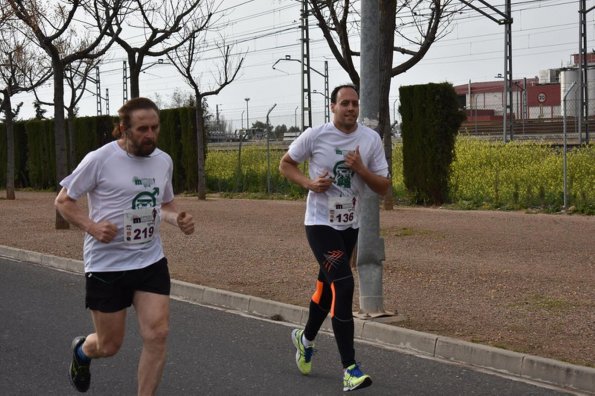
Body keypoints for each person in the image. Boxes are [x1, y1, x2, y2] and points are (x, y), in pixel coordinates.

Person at [55, 97, 195, 395]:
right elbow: (63, 201)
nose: (150, 135)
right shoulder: (100, 159)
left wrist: (177, 219)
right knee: (109, 345)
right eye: (142, 129)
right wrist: (92, 226)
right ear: (123, 129)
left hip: (149, 260)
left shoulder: (163, 160)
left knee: (158, 334)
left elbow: (165, 204)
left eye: (154, 128)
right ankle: (82, 351)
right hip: (107, 265)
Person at [279, 84, 390, 392]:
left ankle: (305, 339)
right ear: (332, 106)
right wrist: (310, 184)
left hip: (349, 224)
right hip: (319, 223)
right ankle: (350, 369)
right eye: (345, 103)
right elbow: (286, 164)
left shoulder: (370, 140)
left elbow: (383, 187)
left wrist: (361, 169)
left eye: (355, 104)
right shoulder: (315, 135)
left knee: (327, 288)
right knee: (343, 283)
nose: (351, 108)